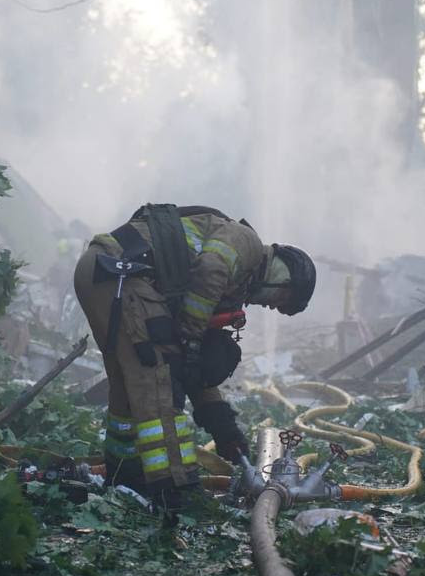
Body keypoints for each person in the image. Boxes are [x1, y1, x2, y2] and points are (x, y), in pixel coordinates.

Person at [73, 204, 315, 508]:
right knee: (158, 379)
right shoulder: (247, 244)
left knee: (129, 383)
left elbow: (194, 370)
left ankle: (125, 477)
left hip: (102, 271)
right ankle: (175, 489)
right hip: (122, 273)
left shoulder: (227, 285)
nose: (269, 306)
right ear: (284, 275)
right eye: (280, 300)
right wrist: (191, 337)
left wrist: (223, 428)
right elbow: (211, 266)